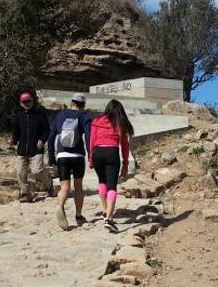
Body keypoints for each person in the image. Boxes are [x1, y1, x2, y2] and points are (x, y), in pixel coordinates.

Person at [47, 93, 92, 230]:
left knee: (64, 187)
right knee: (78, 186)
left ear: (71, 102)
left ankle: (60, 206)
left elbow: (51, 138)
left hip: (62, 156)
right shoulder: (85, 117)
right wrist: (91, 155)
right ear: (83, 105)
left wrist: (51, 158)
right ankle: (78, 216)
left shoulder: (60, 116)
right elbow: (89, 138)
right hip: (78, 156)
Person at [88, 99, 134, 232]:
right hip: (112, 153)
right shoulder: (120, 123)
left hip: (97, 152)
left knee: (102, 181)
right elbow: (125, 146)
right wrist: (125, 163)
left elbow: (92, 141)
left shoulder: (96, 121)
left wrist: (91, 158)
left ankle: (105, 211)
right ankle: (109, 218)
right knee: (112, 186)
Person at [9, 91, 50, 202]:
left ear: (32, 101)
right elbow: (16, 132)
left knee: (37, 171)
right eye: (24, 101)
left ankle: (49, 185)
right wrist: (13, 140)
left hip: (36, 149)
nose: (27, 103)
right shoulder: (18, 116)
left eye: (29, 101)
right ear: (21, 103)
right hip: (22, 150)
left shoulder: (40, 114)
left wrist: (42, 140)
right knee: (20, 172)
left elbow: (47, 130)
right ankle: (26, 193)